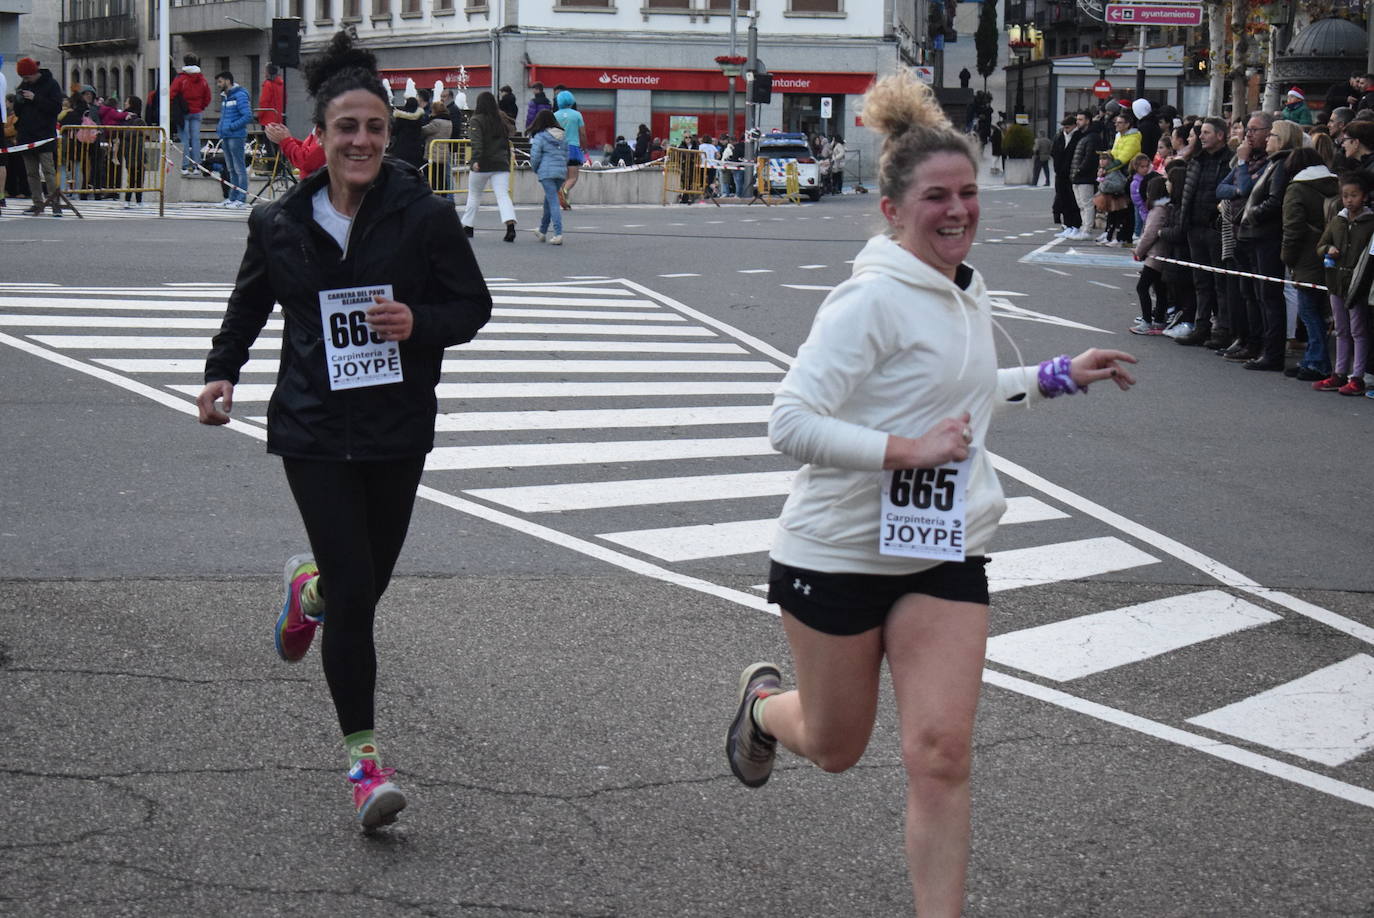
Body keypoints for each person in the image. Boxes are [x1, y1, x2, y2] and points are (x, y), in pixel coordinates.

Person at [726, 70, 1137, 918]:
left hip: (937, 546)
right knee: (837, 748)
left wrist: (1057, 374)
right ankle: (765, 713)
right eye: (937, 198)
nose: (958, 211)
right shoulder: (868, 300)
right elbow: (790, 422)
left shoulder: (961, 287)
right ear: (891, 210)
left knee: (942, 753)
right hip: (835, 551)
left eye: (969, 194)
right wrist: (901, 451)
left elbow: (963, 390)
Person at [195, 30, 493, 831]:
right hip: (313, 427)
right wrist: (222, 371)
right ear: (319, 138)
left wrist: (416, 321)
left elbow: (473, 307)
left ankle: (310, 590)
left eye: (373, 129)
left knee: (361, 586)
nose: (360, 141)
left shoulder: (423, 215)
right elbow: (250, 303)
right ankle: (364, 764)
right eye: (345, 129)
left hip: (397, 427)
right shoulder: (280, 221)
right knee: (360, 597)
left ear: (388, 137)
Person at [1173, 117, 1234, 348]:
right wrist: (1183, 222)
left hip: (1216, 228)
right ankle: (1201, 327)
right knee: (1201, 281)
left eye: (1207, 132)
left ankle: (1222, 329)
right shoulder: (1196, 160)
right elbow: (1187, 193)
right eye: (1201, 133)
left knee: (1221, 281)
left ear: (1220, 135)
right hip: (1194, 227)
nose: (1201, 136)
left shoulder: (1229, 160)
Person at [1280, 146, 1338, 380]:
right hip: (1331, 252)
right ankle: (1315, 358)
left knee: (1308, 311)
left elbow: (1292, 227)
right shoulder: (1335, 183)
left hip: (1306, 255)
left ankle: (1317, 362)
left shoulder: (1298, 189)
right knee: (1322, 312)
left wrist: (1287, 256)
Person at [1315, 170, 1374, 395]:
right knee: (1341, 329)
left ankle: (1357, 375)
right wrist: (1327, 249)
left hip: (1357, 284)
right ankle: (1339, 373)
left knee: (1358, 330)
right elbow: (1321, 244)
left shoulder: (1370, 223)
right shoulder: (1337, 220)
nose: (1349, 200)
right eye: (1346, 196)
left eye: (1354, 195)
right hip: (1335, 281)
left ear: (1364, 196)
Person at [461, 90, 517, 243]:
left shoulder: (476, 120)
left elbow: (476, 142)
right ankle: (510, 225)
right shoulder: (500, 119)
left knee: (474, 195)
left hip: (483, 163)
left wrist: (475, 160)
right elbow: (512, 131)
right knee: (503, 195)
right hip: (501, 163)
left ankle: (468, 226)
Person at [12, 57, 62, 216]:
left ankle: (55, 203)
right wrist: (18, 101)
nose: (26, 80)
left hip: (44, 134)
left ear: (34, 72)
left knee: (48, 171)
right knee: (31, 173)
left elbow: (55, 108)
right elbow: (19, 111)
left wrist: (35, 98)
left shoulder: (51, 84)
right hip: (26, 135)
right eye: (23, 78)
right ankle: (37, 203)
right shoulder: (24, 85)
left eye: (27, 77)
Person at [1130, 174, 1172, 334]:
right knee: (1160, 289)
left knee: (1142, 287)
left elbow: (1149, 234)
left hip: (1155, 255)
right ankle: (1159, 320)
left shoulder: (1158, 211)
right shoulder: (1166, 208)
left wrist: (1139, 251)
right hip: (1162, 254)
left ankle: (1147, 321)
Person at [527, 108, 567, 244]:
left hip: (547, 172)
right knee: (549, 201)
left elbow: (535, 156)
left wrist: (535, 168)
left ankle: (558, 233)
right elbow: (566, 155)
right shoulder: (563, 135)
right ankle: (542, 231)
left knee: (553, 202)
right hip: (561, 172)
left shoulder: (540, 136)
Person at [215, 71, 252, 208]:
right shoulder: (226, 97)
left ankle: (241, 198)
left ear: (227, 81)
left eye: (220, 82)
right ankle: (232, 197)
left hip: (236, 136)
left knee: (238, 168)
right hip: (227, 135)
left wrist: (231, 127)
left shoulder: (239, 95)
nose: (218, 85)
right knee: (231, 168)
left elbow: (247, 116)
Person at [170, 54, 211, 175]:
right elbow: (207, 97)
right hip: (197, 112)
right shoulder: (202, 79)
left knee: (184, 139)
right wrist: (200, 106)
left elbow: (172, 94)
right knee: (196, 139)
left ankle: (184, 166)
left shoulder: (181, 79)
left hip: (183, 113)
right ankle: (197, 166)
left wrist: (175, 108)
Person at [1067, 110, 1103, 241]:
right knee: (1082, 204)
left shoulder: (1092, 137)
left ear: (1088, 120)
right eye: (1077, 119)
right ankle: (1084, 228)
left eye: (1080, 119)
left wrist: (1079, 170)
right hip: (1079, 177)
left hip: (1085, 177)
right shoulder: (1083, 136)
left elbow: (1090, 158)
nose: (1078, 122)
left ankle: (1087, 229)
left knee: (1086, 204)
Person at [553, 89, 585, 208]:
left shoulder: (555, 115)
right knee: (573, 177)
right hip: (573, 147)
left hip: (558, 148)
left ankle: (565, 201)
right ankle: (565, 191)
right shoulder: (577, 115)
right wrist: (584, 147)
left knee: (564, 177)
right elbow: (582, 133)